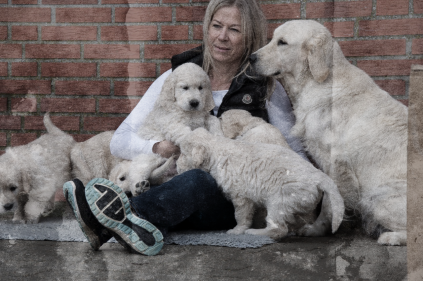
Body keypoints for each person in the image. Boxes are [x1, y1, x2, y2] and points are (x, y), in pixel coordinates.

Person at [64, 0, 308, 256]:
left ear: (250, 36)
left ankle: (116, 216)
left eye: (234, 30)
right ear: (207, 28)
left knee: (199, 180)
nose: (222, 37)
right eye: (217, 26)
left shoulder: (265, 86)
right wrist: (158, 147)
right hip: (171, 187)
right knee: (168, 179)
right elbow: (120, 140)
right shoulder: (178, 75)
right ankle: (134, 227)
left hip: (229, 199)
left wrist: (315, 198)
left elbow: (291, 149)